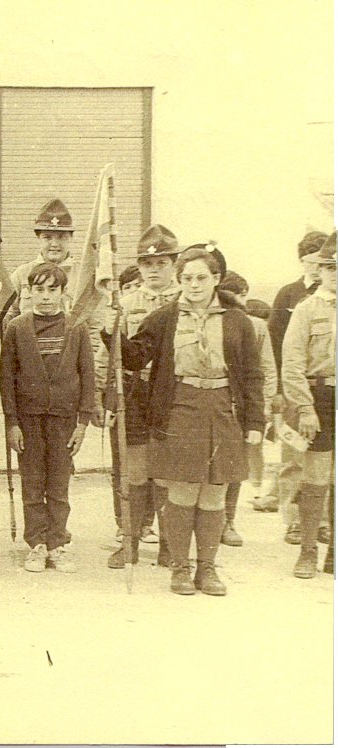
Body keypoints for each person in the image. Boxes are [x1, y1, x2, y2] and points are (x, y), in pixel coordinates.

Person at [113, 246, 263, 596]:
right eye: (187, 278)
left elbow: (253, 374)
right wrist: (113, 331)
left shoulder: (237, 320)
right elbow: (135, 358)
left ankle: (206, 568)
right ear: (179, 280)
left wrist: (255, 422)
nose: (194, 285)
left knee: (214, 493)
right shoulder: (164, 317)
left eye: (201, 278)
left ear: (216, 279)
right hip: (180, 407)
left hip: (224, 409)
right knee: (182, 490)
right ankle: (180, 568)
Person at [0, 263, 93, 573]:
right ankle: (37, 544)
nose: (45, 296)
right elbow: (6, 379)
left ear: (63, 292)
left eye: (52, 289)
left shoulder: (76, 327)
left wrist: (83, 422)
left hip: (64, 420)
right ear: (29, 292)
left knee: (58, 483)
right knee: (32, 481)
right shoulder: (17, 328)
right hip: (28, 420)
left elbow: (87, 375)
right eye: (38, 289)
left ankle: (57, 543)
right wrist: (12, 422)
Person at [98, 225, 182, 570]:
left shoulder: (186, 301)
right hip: (135, 393)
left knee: (167, 472)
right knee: (134, 470)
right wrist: (105, 398)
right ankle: (129, 541)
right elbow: (110, 358)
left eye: (161, 263)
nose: (154, 270)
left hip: (173, 394)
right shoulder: (127, 303)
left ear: (174, 264)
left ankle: (169, 544)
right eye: (147, 264)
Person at [280, 232, 335, 578]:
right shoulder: (306, 309)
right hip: (320, 398)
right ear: (320, 270)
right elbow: (292, 363)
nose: (336, 275)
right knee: (315, 476)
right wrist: (304, 407)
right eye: (331, 268)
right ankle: (308, 551)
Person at [264, 230, 326, 538]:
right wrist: (277, 390)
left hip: (326, 388)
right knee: (294, 458)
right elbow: (275, 344)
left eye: (322, 262)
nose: (315, 267)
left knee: (324, 462)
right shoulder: (289, 294)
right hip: (295, 387)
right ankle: (294, 521)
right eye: (310, 261)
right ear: (302, 261)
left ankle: (322, 522)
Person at [217, 270, 277, 547]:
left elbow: (265, 369)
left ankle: (228, 521)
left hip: (239, 404)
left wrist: (261, 408)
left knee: (234, 464)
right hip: (210, 401)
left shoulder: (254, 325)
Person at [5, 198, 76, 321]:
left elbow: (95, 324)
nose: (54, 244)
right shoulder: (21, 274)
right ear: (38, 238)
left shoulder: (82, 275)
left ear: (71, 238)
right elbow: (7, 317)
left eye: (62, 237)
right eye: (47, 238)